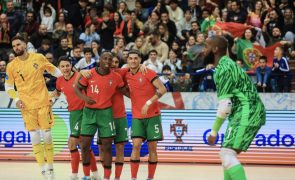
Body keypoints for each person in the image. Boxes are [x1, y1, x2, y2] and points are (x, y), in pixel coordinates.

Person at [205, 36, 266, 180]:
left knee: (226, 154)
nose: (203, 50)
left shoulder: (224, 69)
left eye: (206, 46)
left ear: (215, 49)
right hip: (247, 110)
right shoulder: (227, 64)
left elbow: (225, 106)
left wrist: (213, 132)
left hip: (248, 111)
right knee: (227, 154)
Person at [5, 36, 63, 179]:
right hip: (26, 106)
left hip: (43, 102)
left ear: (25, 44)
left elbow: (55, 71)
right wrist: (16, 98)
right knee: (35, 137)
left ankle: (51, 168)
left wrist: (65, 82)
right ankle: (43, 170)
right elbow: (8, 86)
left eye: (18, 44)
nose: (16, 47)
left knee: (48, 135)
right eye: (14, 46)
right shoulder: (11, 66)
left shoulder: (38, 57)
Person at [74, 51, 128, 180]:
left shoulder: (116, 77)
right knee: (85, 145)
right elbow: (77, 88)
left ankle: (107, 177)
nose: (108, 61)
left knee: (107, 147)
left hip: (106, 113)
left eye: (110, 59)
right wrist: (84, 98)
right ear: (100, 59)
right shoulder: (90, 73)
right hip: (89, 113)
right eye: (105, 58)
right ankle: (87, 175)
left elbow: (125, 90)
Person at [52, 56, 100, 180]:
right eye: (62, 66)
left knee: (73, 143)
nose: (65, 68)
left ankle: (75, 175)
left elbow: (97, 75)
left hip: (85, 112)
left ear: (71, 65)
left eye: (67, 65)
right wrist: (49, 98)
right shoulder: (59, 81)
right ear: (59, 68)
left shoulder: (81, 76)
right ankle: (95, 174)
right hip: (73, 114)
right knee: (83, 146)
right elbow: (57, 93)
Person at [126, 50, 167, 180]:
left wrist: (148, 103)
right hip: (137, 116)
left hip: (153, 115)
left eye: (135, 58)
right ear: (127, 60)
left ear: (140, 60)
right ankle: (133, 177)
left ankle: (150, 177)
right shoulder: (125, 74)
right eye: (130, 58)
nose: (133, 61)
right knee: (136, 145)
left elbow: (162, 89)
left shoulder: (148, 72)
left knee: (152, 149)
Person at [98, 56, 129, 180]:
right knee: (102, 149)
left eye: (117, 62)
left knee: (120, 148)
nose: (113, 64)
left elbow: (134, 67)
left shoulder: (121, 73)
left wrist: (142, 66)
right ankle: (106, 177)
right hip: (104, 117)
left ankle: (117, 178)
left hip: (120, 116)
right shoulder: (98, 73)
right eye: (112, 61)